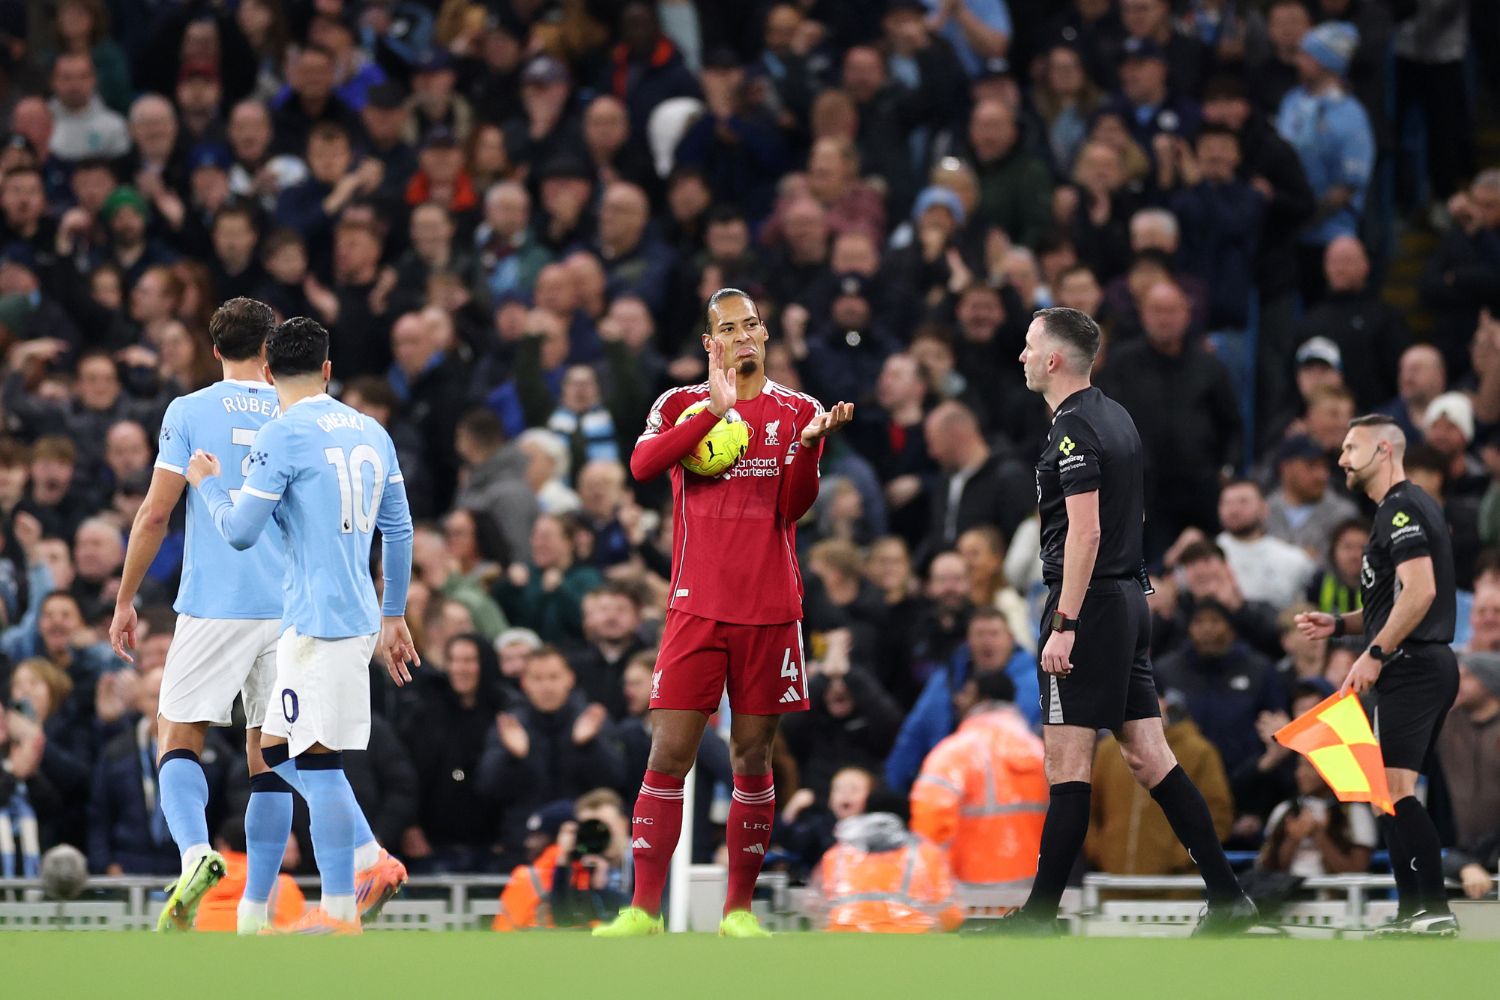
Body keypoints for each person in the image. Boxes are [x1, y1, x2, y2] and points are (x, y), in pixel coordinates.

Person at [106, 299, 404, 935]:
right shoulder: (301, 411)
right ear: (273, 353)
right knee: (274, 752)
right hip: (294, 610)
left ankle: (194, 855)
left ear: (213, 351)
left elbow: (156, 514)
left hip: (216, 603)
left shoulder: (188, 411)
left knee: (178, 733)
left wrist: (127, 597)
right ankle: (264, 909)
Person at [592, 287, 853, 939]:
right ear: (710, 343)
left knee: (753, 757)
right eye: (727, 329)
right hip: (695, 607)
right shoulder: (678, 402)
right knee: (668, 751)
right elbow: (643, 464)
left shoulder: (799, 409)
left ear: (765, 336)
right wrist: (712, 411)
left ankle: (737, 911)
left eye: (752, 326)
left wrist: (811, 448)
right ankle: (642, 910)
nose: (742, 336)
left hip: (769, 609)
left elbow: (793, 508)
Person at [994, 306, 1254, 935]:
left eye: (1030, 347)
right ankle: (1227, 899)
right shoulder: (1117, 417)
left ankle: (1038, 917)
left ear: (1054, 359)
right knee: (1148, 754)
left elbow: (1085, 533)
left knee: (1068, 764)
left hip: (1092, 606)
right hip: (1128, 602)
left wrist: (1066, 622)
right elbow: (1131, 514)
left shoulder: (1073, 430)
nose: (1022, 357)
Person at [184, 316, 419, 936]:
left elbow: (238, 532)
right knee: (279, 752)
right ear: (327, 370)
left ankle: (357, 884)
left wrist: (208, 486)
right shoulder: (371, 429)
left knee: (310, 763)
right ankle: (351, 889)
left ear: (267, 372)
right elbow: (399, 529)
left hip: (315, 624)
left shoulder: (281, 434)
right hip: (356, 618)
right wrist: (392, 613)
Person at [1294, 414, 1461, 936]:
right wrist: (1343, 625)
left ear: (1385, 450)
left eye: (1351, 448)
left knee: (1395, 790)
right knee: (1391, 791)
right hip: (1414, 662)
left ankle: (1429, 910)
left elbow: (1421, 592)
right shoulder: (1398, 510)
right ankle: (1416, 914)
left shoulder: (1401, 509)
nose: (1341, 459)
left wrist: (1375, 652)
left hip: (1410, 665)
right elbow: (1395, 601)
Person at [910, 670, 1047, 891]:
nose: (958, 699)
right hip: (1032, 899)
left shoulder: (954, 754)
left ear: (979, 698)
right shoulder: (1040, 753)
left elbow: (930, 826)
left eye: (965, 693)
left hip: (970, 898)